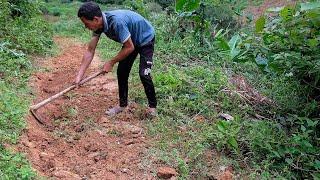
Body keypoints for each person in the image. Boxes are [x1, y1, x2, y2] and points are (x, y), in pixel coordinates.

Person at [75, 1, 157, 116]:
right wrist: (79, 75)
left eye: (86, 23)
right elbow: (90, 50)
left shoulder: (116, 22)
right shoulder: (98, 26)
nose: (86, 27)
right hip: (131, 40)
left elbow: (129, 47)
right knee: (122, 72)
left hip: (145, 38)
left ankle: (152, 108)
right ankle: (122, 105)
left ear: (96, 19)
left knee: (144, 73)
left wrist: (111, 62)